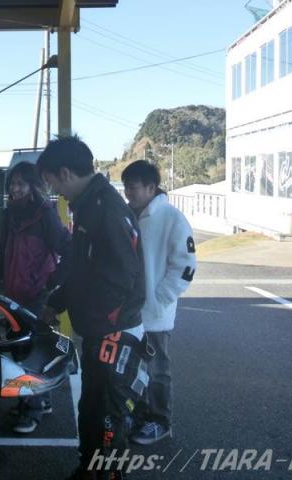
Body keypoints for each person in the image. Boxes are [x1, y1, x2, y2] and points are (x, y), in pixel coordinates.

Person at [37, 136, 148, 480]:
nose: (56, 192)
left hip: (113, 330)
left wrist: (98, 320)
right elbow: (82, 270)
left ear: (65, 173)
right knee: (90, 407)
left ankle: (108, 474)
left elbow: (123, 277)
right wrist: (58, 301)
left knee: (107, 416)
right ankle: (88, 469)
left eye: (53, 183)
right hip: (98, 329)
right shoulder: (89, 206)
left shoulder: (105, 209)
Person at [0, 161, 71, 434]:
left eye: (21, 183)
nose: (15, 189)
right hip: (13, 294)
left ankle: (31, 411)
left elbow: (66, 248)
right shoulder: (8, 215)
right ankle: (41, 400)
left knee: (31, 352)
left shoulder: (46, 214)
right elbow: (1, 253)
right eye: (12, 184)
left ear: (33, 186)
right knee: (19, 349)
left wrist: (52, 281)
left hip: (38, 295)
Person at [121, 160, 196, 445]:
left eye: (133, 187)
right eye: (126, 187)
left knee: (157, 371)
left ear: (151, 187)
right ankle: (139, 416)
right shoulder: (128, 215)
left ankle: (161, 421)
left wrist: (160, 299)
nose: (128, 193)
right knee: (132, 368)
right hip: (129, 312)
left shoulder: (172, 217)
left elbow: (186, 265)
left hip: (155, 314)